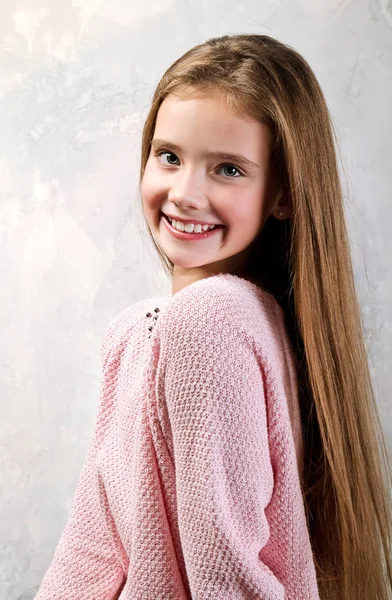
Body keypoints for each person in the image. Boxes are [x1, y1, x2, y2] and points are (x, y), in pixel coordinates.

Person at [35, 34, 392, 600]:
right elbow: (92, 549)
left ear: (283, 194)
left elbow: (226, 575)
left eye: (227, 169)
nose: (185, 193)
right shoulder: (140, 330)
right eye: (169, 156)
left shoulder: (212, 321)